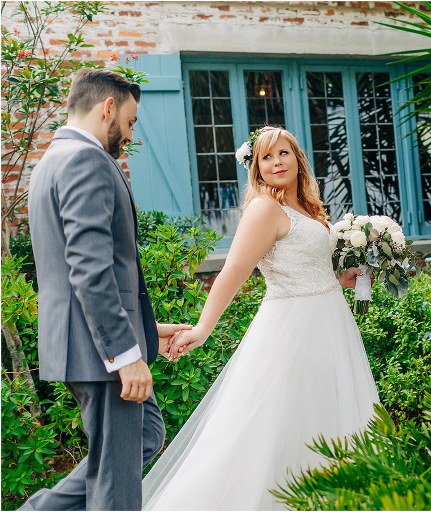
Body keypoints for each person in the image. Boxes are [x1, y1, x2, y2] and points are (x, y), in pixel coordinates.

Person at [142, 126, 380, 510]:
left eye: (283, 153)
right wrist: (203, 328)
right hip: (291, 329)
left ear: (297, 158)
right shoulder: (265, 209)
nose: (276, 163)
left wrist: (341, 278)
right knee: (274, 426)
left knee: (321, 416)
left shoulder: (305, 207)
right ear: (256, 168)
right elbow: (233, 271)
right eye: (266, 157)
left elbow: (304, 265)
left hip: (330, 323)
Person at [22, 68, 191, 511]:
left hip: (89, 343)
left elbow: (81, 266)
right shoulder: (86, 160)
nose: (130, 135)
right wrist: (124, 355)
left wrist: (146, 330)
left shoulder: (52, 160)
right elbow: (89, 268)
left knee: (145, 436)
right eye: (131, 123)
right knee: (116, 488)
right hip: (101, 355)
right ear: (108, 107)